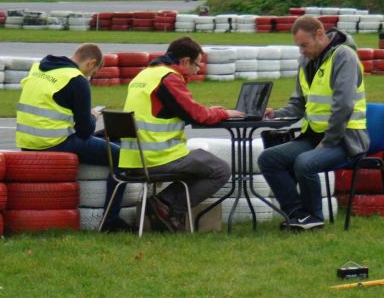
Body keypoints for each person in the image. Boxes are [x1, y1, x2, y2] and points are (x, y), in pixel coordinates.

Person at [120, 36, 244, 232]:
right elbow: (197, 115)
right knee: (219, 169)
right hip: (157, 158)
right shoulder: (169, 78)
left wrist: (208, 109)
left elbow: (169, 111)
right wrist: (223, 113)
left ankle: (163, 204)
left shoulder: (145, 75)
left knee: (201, 161)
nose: (196, 72)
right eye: (196, 66)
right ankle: (167, 206)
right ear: (185, 61)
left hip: (132, 159)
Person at [258, 16, 369, 230]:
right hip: (314, 136)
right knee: (268, 159)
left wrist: (328, 142)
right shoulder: (306, 62)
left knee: (304, 162)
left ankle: (314, 217)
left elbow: (343, 105)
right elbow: (299, 103)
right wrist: (276, 113)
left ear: (320, 35)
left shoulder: (344, 56)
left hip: (345, 140)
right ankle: (298, 214)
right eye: (298, 46)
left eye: (304, 45)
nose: (301, 51)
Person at [15, 43, 131, 232]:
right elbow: (85, 131)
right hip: (55, 142)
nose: (90, 77)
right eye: (92, 72)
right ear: (91, 63)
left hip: (26, 141)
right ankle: (111, 221)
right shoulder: (77, 79)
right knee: (122, 156)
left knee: (105, 143)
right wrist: (93, 115)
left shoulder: (38, 68)